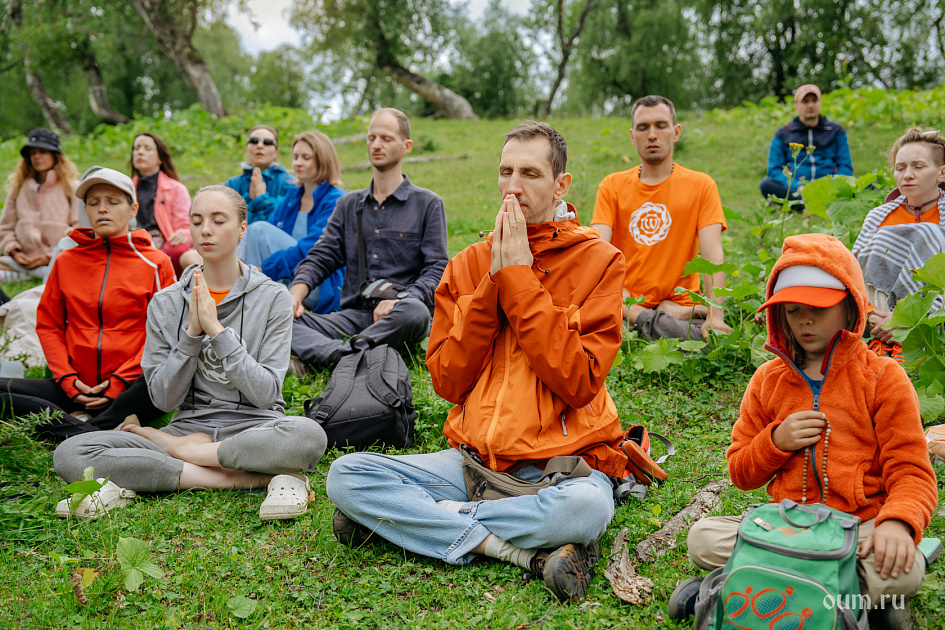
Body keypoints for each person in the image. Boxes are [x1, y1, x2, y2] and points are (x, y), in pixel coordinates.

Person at [326, 121, 629, 602]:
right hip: (472, 465)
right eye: (506, 171)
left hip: (557, 470)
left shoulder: (601, 260)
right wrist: (494, 281)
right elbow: (448, 380)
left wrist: (519, 278)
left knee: (587, 510)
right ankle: (514, 550)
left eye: (529, 172)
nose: (513, 186)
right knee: (347, 476)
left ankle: (421, 519)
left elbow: (578, 381)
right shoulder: (468, 264)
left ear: (561, 185)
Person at [671, 233, 937, 629]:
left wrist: (896, 525)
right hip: (788, 526)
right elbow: (740, 472)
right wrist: (774, 443)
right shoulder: (767, 380)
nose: (805, 320)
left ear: (851, 307)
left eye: (818, 308)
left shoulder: (884, 378)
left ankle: (734, 585)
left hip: (857, 529)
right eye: (793, 311)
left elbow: (912, 473)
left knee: (902, 569)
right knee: (703, 538)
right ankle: (858, 603)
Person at [53, 185, 327, 521]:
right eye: (197, 221)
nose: (206, 230)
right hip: (187, 428)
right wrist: (192, 335)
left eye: (218, 220)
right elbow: (164, 400)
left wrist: (216, 330)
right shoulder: (166, 303)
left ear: (242, 229)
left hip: (255, 429)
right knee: (71, 453)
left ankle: (178, 461)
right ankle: (234, 478)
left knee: (308, 436)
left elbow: (266, 394)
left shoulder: (273, 298)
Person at [0, 168, 175, 440]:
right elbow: (49, 326)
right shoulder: (66, 261)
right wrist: (69, 381)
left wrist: (117, 383)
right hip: (74, 385)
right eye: (94, 203)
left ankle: (73, 428)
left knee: (161, 384)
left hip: (131, 386)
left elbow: (164, 334)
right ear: (85, 210)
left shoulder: (156, 262)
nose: (102, 209)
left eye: (113, 202)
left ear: (132, 210)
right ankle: (97, 429)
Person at [289, 108, 448, 369]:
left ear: (406, 146)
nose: (376, 144)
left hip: (401, 314)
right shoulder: (348, 204)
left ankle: (331, 356)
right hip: (353, 316)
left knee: (416, 313)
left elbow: (437, 269)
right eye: (371, 138)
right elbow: (323, 255)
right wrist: (296, 293)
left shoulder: (428, 203)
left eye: (386, 138)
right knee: (277, 315)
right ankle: (344, 356)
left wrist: (402, 299)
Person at [591, 95, 730, 341]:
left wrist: (715, 317)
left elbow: (712, 253)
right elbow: (597, 255)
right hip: (625, 301)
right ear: (633, 136)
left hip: (679, 299)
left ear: (676, 132)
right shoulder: (611, 186)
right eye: (643, 128)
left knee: (705, 338)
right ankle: (656, 316)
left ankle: (667, 316)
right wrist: (630, 306)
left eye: (661, 125)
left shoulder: (701, 186)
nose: (652, 135)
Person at [852, 128, 945, 357]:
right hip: (876, 316)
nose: (907, 174)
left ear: (941, 173)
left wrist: (904, 319)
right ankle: (882, 341)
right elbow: (856, 273)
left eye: (919, 167)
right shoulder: (878, 216)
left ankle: (914, 341)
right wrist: (874, 315)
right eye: (900, 168)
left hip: (932, 316)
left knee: (930, 233)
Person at [239, 131, 345, 314]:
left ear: (323, 160)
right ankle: (244, 298)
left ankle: (245, 293)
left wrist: (263, 269)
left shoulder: (336, 201)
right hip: (284, 277)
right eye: (296, 157)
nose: (297, 163)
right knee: (253, 232)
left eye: (306, 157)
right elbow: (269, 235)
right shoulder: (292, 197)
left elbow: (312, 250)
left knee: (259, 229)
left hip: (317, 283)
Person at [0, 128, 79, 280]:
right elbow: (5, 229)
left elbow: (78, 230)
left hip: (59, 258)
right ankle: (28, 273)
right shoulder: (18, 189)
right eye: (32, 153)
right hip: (21, 260)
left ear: (55, 156)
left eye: (42, 152)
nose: (37, 157)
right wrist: (15, 252)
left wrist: (49, 256)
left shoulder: (71, 188)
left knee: (65, 266)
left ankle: (36, 273)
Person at [759, 84, 853, 206]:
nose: (810, 105)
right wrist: (798, 187)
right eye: (805, 101)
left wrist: (830, 187)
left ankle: (804, 205)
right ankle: (814, 204)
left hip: (829, 189)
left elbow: (845, 166)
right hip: (797, 190)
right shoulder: (783, 133)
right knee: (766, 184)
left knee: (869, 185)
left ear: (820, 103)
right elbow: (774, 169)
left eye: (814, 101)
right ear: (796, 105)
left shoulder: (836, 130)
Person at [130, 132, 194, 274]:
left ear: (160, 158)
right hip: (134, 244)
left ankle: (154, 268)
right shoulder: (125, 189)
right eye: (136, 148)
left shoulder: (177, 189)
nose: (140, 152)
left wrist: (183, 233)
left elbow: (187, 226)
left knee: (179, 247)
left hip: (165, 246)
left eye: (147, 148)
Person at [224, 124, 296, 224]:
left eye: (267, 142)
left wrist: (260, 199)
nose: (260, 145)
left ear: (276, 152)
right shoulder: (232, 185)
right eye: (254, 141)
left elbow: (286, 220)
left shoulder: (291, 184)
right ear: (247, 148)